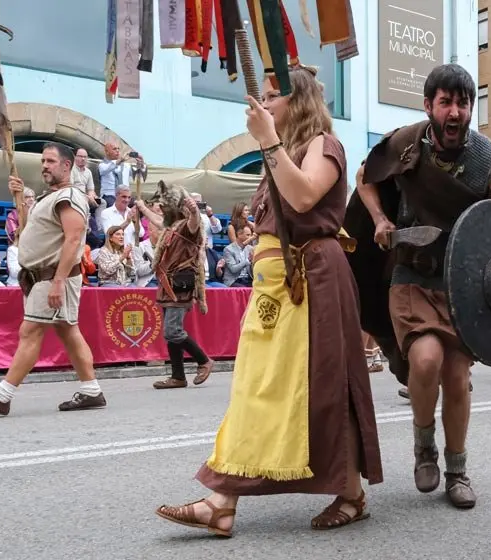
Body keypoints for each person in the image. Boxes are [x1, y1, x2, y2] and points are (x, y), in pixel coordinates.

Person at [155, 65, 383, 536]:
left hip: (313, 276)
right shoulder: (279, 152)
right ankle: (223, 500)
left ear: (297, 103)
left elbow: (302, 199)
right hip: (275, 283)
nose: (263, 104)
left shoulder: (324, 144)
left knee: (323, 387)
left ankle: (349, 493)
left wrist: (268, 141)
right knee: (256, 386)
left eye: (273, 96)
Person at [351, 63, 491, 509]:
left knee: (458, 375)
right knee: (425, 361)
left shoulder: (487, 158)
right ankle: (424, 446)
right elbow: (364, 177)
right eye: (446, 101)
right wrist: (381, 218)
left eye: (463, 102)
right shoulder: (406, 143)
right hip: (412, 275)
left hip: (463, 283)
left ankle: (458, 469)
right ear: (429, 107)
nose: (456, 111)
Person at [0, 143, 105, 415]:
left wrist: (59, 281)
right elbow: (33, 233)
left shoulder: (70, 197)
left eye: (51, 161)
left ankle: (1, 396)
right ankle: (91, 391)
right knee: (68, 331)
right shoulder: (50, 197)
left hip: (52, 276)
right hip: (47, 276)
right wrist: (19, 199)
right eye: (43, 161)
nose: (44, 165)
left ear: (67, 166)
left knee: (30, 331)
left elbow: (74, 238)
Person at [138, 182, 214, 389]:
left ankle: (203, 360)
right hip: (167, 284)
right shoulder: (172, 226)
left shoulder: (189, 228)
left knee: (172, 331)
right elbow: (158, 221)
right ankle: (178, 376)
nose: (160, 210)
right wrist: (143, 209)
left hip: (179, 284)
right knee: (172, 333)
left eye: (164, 207)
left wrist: (193, 209)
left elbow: (194, 222)